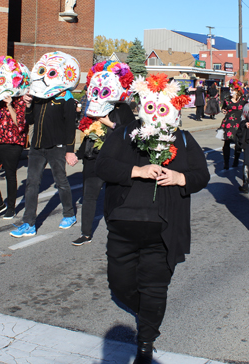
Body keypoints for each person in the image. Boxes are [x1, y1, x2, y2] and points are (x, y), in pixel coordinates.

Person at [95, 73, 209, 364]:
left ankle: (145, 343)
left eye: (163, 106)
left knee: (155, 287)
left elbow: (201, 176)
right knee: (119, 285)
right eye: (151, 105)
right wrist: (137, 171)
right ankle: (147, 313)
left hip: (164, 229)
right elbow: (103, 165)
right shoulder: (123, 133)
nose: (156, 111)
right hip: (123, 224)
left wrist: (180, 177)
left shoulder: (183, 138)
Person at [10, 52, 80, 238]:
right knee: (32, 184)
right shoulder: (38, 95)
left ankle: (69, 214)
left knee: (61, 182)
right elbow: (31, 120)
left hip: (56, 147)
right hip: (37, 147)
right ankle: (29, 223)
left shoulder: (66, 97)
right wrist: (29, 105)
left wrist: (69, 151)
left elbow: (70, 127)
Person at [72, 61, 135, 246]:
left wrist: (109, 123)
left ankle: (116, 229)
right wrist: (79, 153)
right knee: (89, 196)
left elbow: (130, 133)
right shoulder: (92, 106)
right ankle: (85, 234)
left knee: (114, 196)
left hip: (114, 159)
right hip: (93, 158)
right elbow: (88, 133)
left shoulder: (122, 108)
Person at [0, 56, 30, 219]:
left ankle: (11, 207)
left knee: (10, 174)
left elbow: (20, 123)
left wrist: (9, 104)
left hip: (12, 142)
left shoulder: (20, 101)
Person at [220, 79, 245, 169]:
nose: (231, 91)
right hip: (229, 123)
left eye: (233, 90)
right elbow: (223, 108)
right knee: (226, 143)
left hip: (239, 123)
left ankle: (236, 160)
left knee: (238, 143)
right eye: (230, 89)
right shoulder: (227, 100)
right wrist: (223, 110)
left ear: (237, 90)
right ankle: (226, 162)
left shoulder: (243, 99)